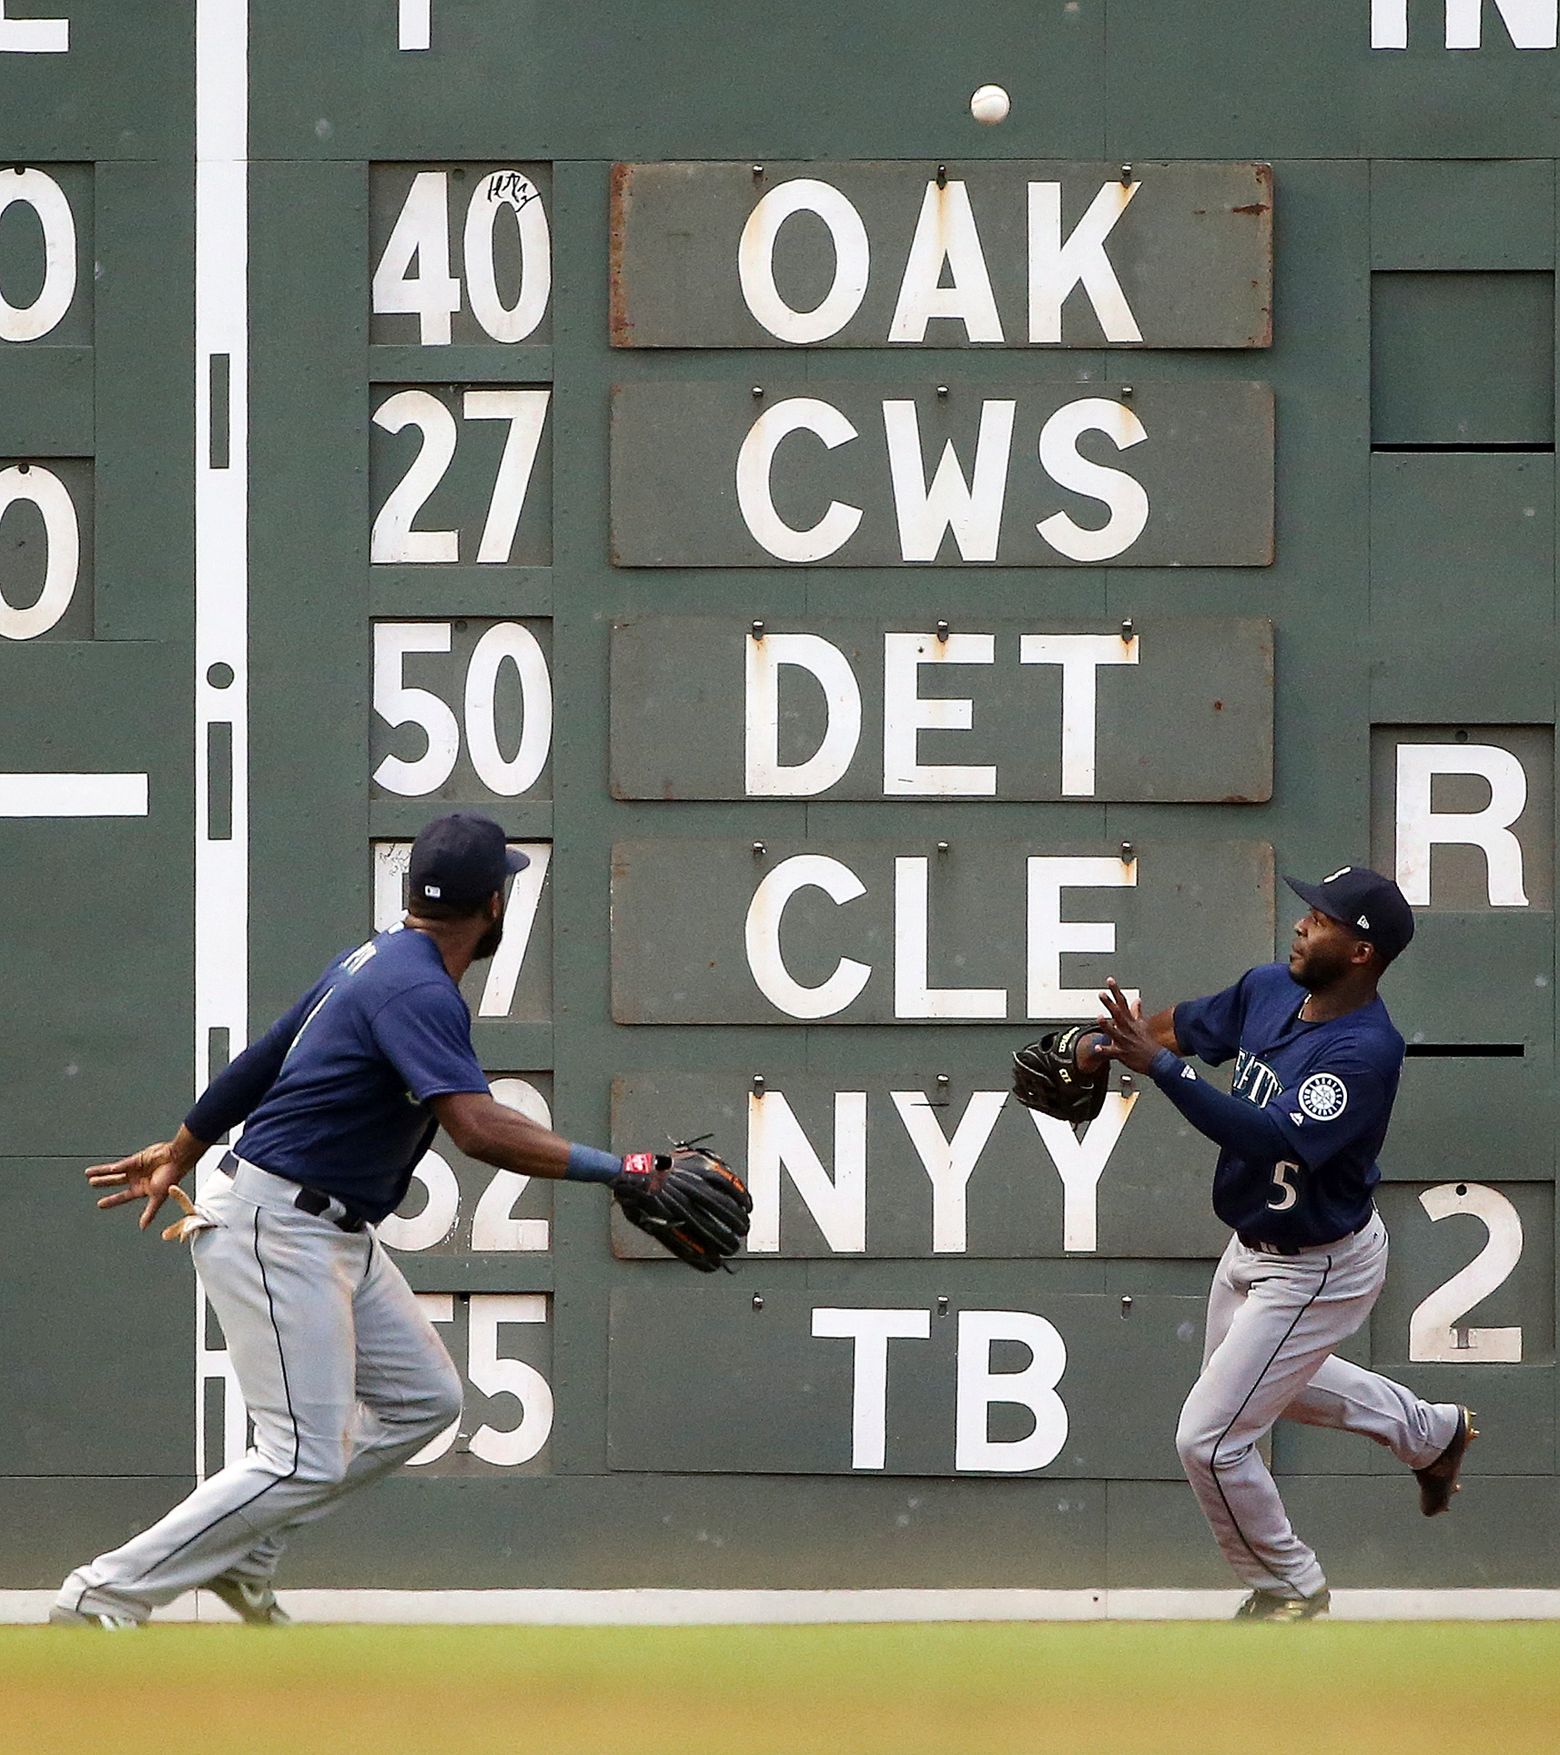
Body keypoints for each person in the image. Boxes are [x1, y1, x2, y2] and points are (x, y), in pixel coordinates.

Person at [50, 811, 741, 1628]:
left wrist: (182, 1147)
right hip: (279, 1226)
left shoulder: (374, 957)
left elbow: (261, 1058)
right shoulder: (414, 986)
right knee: (299, 1456)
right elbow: (478, 1128)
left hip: (326, 1226)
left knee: (424, 1398)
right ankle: (104, 1594)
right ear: (493, 905)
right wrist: (623, 1167)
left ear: (415, 894)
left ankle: (247, 1553)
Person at [1090, 865, 1476, 1622]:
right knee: (1269, 1389)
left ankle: (1289, 1586)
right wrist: (1108, 1045)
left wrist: (1160, 1070)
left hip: (1319, 1266)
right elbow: (1187, 1024)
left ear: (1362, 951)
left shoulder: (1366, 1051)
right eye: (1308, 909)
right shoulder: (1273, 989)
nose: (1304, 922)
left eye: (1324, 917)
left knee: (1210, 1438)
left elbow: (1271, 1137)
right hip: (1251, 1249)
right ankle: (1431, 1434)